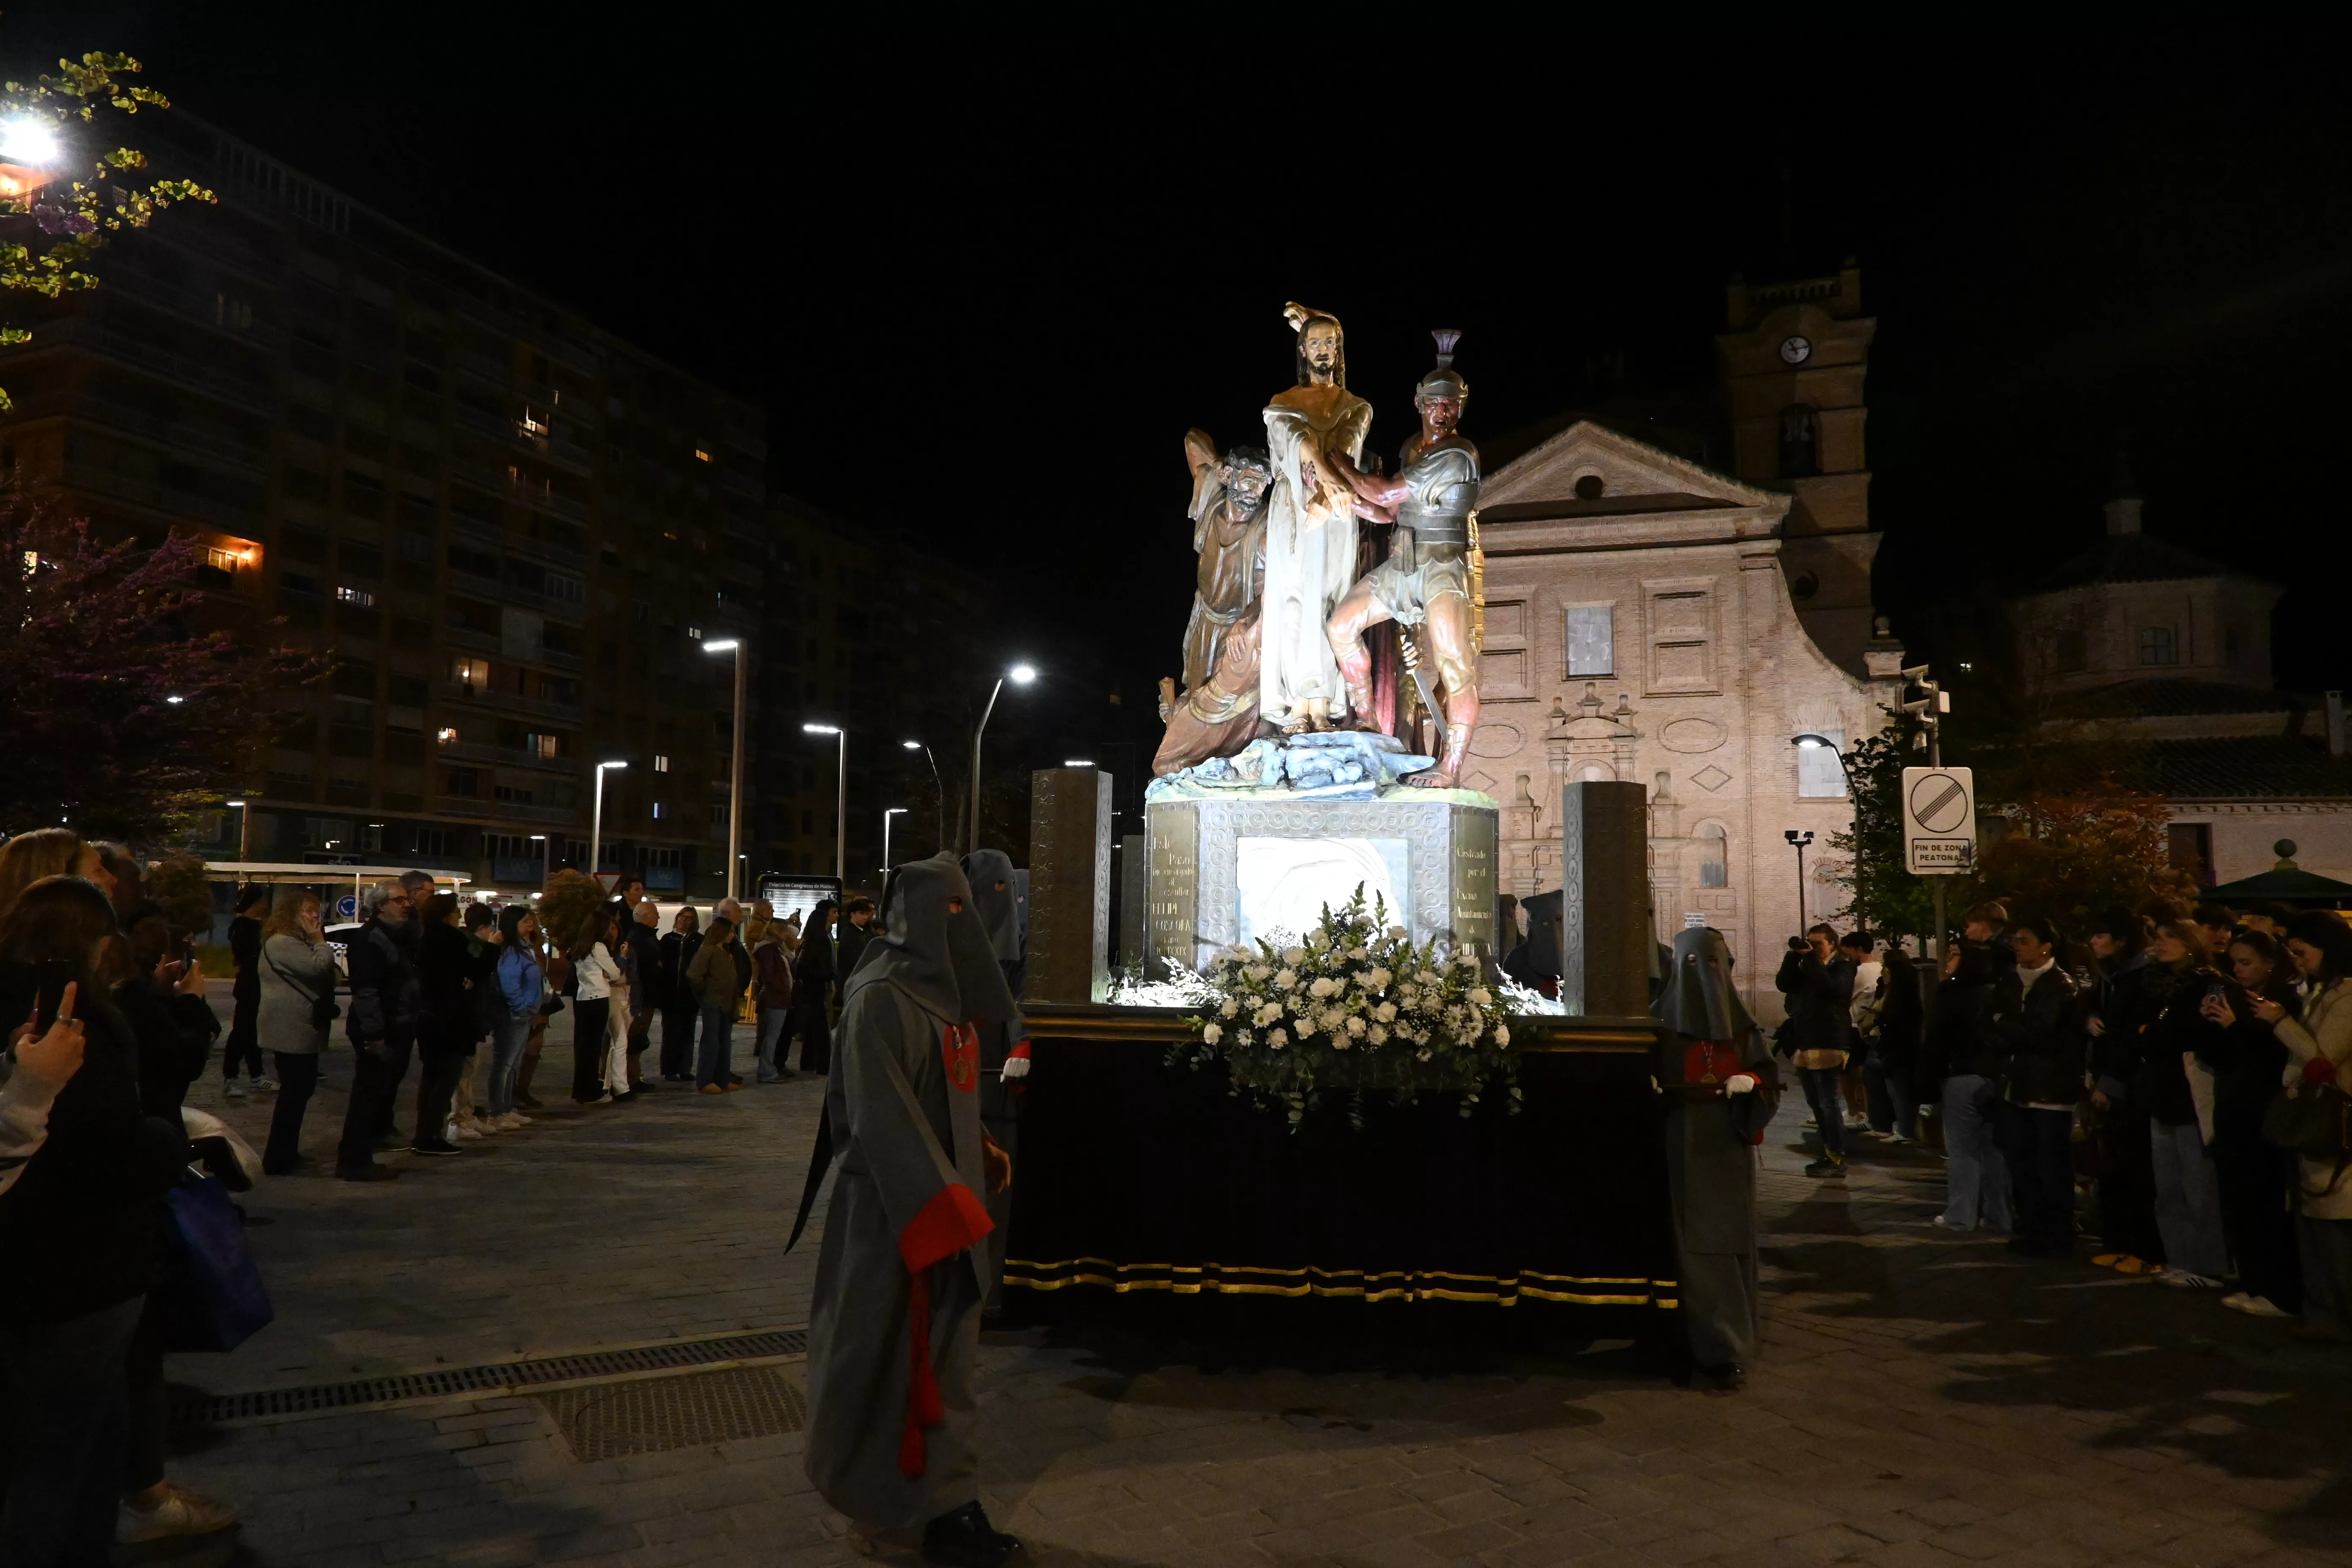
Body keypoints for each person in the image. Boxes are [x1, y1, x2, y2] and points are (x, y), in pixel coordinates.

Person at [802, 855, 1021, 1567]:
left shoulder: (940, 999)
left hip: (949, 1213)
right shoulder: (880, 999)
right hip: (896, 1223)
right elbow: (880, 1117)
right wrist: (942, 1202)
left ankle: (949, 1504)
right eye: (951, 909)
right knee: (880, 1361)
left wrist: (978, 1146)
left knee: (948, 1365)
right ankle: (884, 1497)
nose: (965, 922)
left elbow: (940, 1096)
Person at [0, 876, 214, 1562]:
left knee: (93, 1431)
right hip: (83, 1268)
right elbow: (103, 1147)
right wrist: (166, 1141)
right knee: (58, 1452)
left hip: (57, 1265)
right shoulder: (70, 1030)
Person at [1652, 922, 1779, 1390]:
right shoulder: (1660, 1025)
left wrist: (1754, 1084)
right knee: (1683, 1246)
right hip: (1677, 1147)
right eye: (1691, 964)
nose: (1702, 975)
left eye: (1710, 963)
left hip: (1725, 1149)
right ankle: (1686, 1340)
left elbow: (1765, 1078)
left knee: (1725, 1243)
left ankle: (1728, 1344)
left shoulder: (1743, 1030)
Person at [2252, 911, 2352, 1344]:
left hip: (2333, 1120)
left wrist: (2278, 1021)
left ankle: (2335, 1314)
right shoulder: (2324, 991)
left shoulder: (2347, 997)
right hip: (2313, 1117)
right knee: (2312, 1219)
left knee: (2331, 1221)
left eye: (2301, 952)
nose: (2297, 960)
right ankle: (2322, 1311)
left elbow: (2321, 1059)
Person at [2199, 929, 2302, 1318]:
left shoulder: (2282, 1002)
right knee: (2240, 1202)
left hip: (2263, 1115)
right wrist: (2211, 1022)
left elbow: (2270, 1062)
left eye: (2246, 963)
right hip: (2232, 1111)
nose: (2238, 970)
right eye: (2235, 962)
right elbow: (2217, 1057)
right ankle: (2254, 1283)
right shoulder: (2236, 999)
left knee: (2265, 1204)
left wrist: (2233, 1028)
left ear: (2269, 964)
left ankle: (2278, 1291)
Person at [2132, 920, 2231, 1287]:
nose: (2161, 943)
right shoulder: (2155, 986)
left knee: (2199, 1187)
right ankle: (2180, 1258)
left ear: (2190, 943)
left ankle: (2210, 1264)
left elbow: (2193, 1034)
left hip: (2191, 1094)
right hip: (2161, 1093)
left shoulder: (2208, 983)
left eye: (2170, 936)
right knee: (2168, 1188)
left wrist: (2155, 1034)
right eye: (2157, 937)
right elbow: (2140, 1032)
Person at [1987, 917, 2085, 1259]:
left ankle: (2058, 1233)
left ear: (2047, 946)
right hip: (2016, 1085)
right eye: (2016, 940)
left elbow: (2041, 1032)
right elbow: (1993, 1023)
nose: (2018, 946)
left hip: (2049, 1088)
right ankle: (2031, 1229)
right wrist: (2006, 1026)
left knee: (2051, 1165)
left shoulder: (2062, 985)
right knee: (2021, 1162)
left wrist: (2005, 1023)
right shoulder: (2011, 982)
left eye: (2025, 940)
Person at [961, 849, 1029, 1318]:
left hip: (999, 1086)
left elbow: (1028, 997)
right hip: (959, 1079)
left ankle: (992, 1294)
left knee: (996, 1192)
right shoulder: (952, 941)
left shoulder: (1022, 944)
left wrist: (1022, 1044)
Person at [2084, 907, 2164, 1273]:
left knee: (2135, 1170)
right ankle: (2117, 1242)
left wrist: (2109, 1084)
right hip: (2110, 1079)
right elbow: (2097, 1014)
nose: (2093, 943)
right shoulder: (2109, 976)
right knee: (2112, 1168)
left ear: (2121, 941)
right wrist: (2089, 1019)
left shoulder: (2142, 979)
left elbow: (2130, 1038)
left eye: (2101, 937)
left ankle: (2143, 1249)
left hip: (2131, 1087)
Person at [1919, 940, 2010, 1233]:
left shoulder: (1953, 992)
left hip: (1963, 1077)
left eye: (1955, 954)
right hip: (1997, 1079)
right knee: (1994, 1151)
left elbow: (1936, 1039)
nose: (1948, 958)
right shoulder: (2001, 991)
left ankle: (1961, 1215)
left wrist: (1929, 1082)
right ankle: (1999, 1216)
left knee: (1962, 1152)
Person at [337, 882, 418, 1181]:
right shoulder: (370, 939)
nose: (406, 904)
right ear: (381, 905)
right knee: (367, 1095)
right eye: (399, 900)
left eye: (407, 899)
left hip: (391, 1027)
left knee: (373, 1094)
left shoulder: (390, 936)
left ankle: (359, 1155)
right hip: (378, 1030)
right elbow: (366, 991)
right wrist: (375, 1034)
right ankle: (354, 1160)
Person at [255, 890, 338, 1175]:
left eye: (317, 911)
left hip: (299, 1026)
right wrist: (319, 942)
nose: (315, 917)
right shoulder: (282, 943)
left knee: (299, 1091)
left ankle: (286, 1153)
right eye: (308, 911)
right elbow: (320, 967)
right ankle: (279, 1158)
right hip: (290, 1029)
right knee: (294, 1093)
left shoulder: (293, 943)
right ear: (291, 914)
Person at [1773, 923, 1855, 1177]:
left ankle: (1838, 1157)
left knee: (1829, 1102)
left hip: (1830, 1041)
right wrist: (1792, 956)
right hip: (1806, 1042)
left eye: (1818, 943)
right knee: (1815, 1102)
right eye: (1810, 943)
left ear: (1832, 943)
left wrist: (1811, 961)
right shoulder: (1809, 966)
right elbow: (1784, 984)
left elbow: (1829, 987)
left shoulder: (1844, 966)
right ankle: (1830, 1151)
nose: (1814, 948)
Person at [411, 893, 480, 1154]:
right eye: (456, 912)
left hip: (429, 1016)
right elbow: (475, 965)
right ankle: (430, 1135)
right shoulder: (450, 939)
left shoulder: (425, 937)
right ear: (447, 914)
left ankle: (424, 1133)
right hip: (449, 1018)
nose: (459, 916)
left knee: (431, 1077)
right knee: (446, 1077)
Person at [487, 905, 542, 1128]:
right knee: (504, 1064)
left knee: (512, 1064)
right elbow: (510, 984)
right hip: (513, 1015)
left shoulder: (524, 947)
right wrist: (522, 1006)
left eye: (530, 919)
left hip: (523, 1014)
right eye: (524, 920)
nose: (530, 923)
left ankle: (508, 1108)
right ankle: (497, 1112)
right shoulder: (511, 951)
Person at [1863, 940, 1924, 1143]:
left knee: (1899, 1089)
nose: (1882, 973)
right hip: (1888, 1045)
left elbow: (1902, 1022)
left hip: (1898, 1048)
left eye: (1886, 969)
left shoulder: (1905, 994)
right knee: (1879, 1081)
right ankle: (1883, 1126)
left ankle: (1906, 1131)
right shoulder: (1889, 989)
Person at [220, 883, 273, 1099]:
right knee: (242, 1031)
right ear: (257, 903)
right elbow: (246, 957)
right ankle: (230, 1078)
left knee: (252, 1032)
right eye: (263, 901)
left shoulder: (251, 925)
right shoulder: (244, 926)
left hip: (255, 984)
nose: (266, 906)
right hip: (249, 985)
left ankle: (256, 1075)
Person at [568, 912, 624, 1106]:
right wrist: (617, 966)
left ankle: (581, 1089)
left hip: (583, 997)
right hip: (598, 998)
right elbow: (615, 973)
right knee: (593, 1048)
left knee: (584, 1047)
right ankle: (590, 1092)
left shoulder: (580, 947)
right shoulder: (598, 947)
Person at [686, 913, 746, 1094]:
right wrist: (706, 993)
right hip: (714, 1002)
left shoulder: (725, 951)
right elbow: (694, 975)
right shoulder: (708, 950)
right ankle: (705, 1080)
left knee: (724, 1042)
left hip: (726, 1003)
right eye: (730, 932)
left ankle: (722, 1078)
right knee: (711, 1042)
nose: (732, 935)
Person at [1840, 930, 1882, 1134]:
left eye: (1846, 953)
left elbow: (1840, 995)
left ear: (1859, 950)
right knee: (1863, 1073)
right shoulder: (1880, 968)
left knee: (1849, 1072)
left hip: (1854, 1026)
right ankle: (1863, 1112)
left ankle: (1856, 1112)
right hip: (1869, 1028)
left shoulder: (1858, 972)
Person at [658, 905, 703, 1083]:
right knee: (670, 1033)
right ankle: (670, 1069)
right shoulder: (668, 939)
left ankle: (685, 1069)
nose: (684, 920)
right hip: (670, 994)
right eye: (681, 916)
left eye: (689, 918)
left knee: (688, 1033)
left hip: (689, 995)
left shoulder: (698, 940)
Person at [794, 898, 839, 1075]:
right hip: (818, 988)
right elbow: (810, 967)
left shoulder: (815, 940)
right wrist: (828, 976)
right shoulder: (817, 942)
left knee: (814, 1025)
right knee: (820, 1026)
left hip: (816, 987)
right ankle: (822, 1065)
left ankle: (810, 1063)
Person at [622, 900, 662, 1089]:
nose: (658, 917)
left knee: (638, 1035)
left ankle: (634, 1076)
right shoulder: (639, 938)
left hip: (648, 994)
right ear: (645, 917)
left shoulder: (645, 936)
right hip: (642, 995)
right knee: (636, 1036)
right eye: (655, 914)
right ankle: (632, 1077)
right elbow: (642, 969)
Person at [752, 917, 796, 1083]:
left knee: (772, 1036)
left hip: (777, 997)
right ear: (779, 931)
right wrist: (783, 989)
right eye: (785, 930)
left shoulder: (775, 948)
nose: (788, 934)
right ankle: (767, 1071)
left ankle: (768, 1070)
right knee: (772, 1037)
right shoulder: (769, 949)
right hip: (775, 998)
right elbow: (770, 975)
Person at [838, 896, 878, 985]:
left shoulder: (860, 931)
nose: (865, 917)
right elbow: (850, 958)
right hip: (851, 978)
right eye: (862, 913)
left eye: (867, 914)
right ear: (853, 914)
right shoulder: (849, 932)